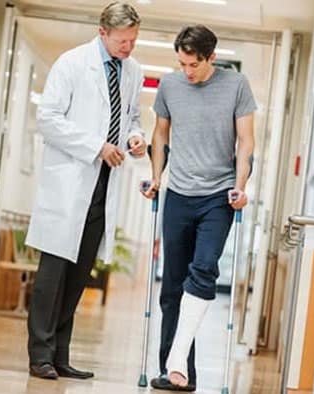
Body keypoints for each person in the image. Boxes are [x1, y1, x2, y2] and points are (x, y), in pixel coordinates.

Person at [25, 1, 147, 381]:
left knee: (79, 276)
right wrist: (96, 146)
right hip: (70, 183)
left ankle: (61, 354)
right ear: (102, 32)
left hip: (102, 186)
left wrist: (136, 138)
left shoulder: (133, 71)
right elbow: (48, 119)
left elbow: (133, 118)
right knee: (53, 274)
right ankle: (39, 354)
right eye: (123, 41)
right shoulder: (72, 63)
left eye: (133, 41)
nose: (129, 48)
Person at [141, 25, 256, 391]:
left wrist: (240, 187)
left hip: (217, 197)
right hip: (178, 194)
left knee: (204, 269)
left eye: (194, 64)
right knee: (172, 287)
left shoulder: (236, 85)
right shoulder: (170, 86)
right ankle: (177, 372)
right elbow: (160, 134)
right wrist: (157, 177)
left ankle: (177, 364)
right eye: (182, 63)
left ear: (211, 57)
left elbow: (246, 142)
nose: (187, 71)